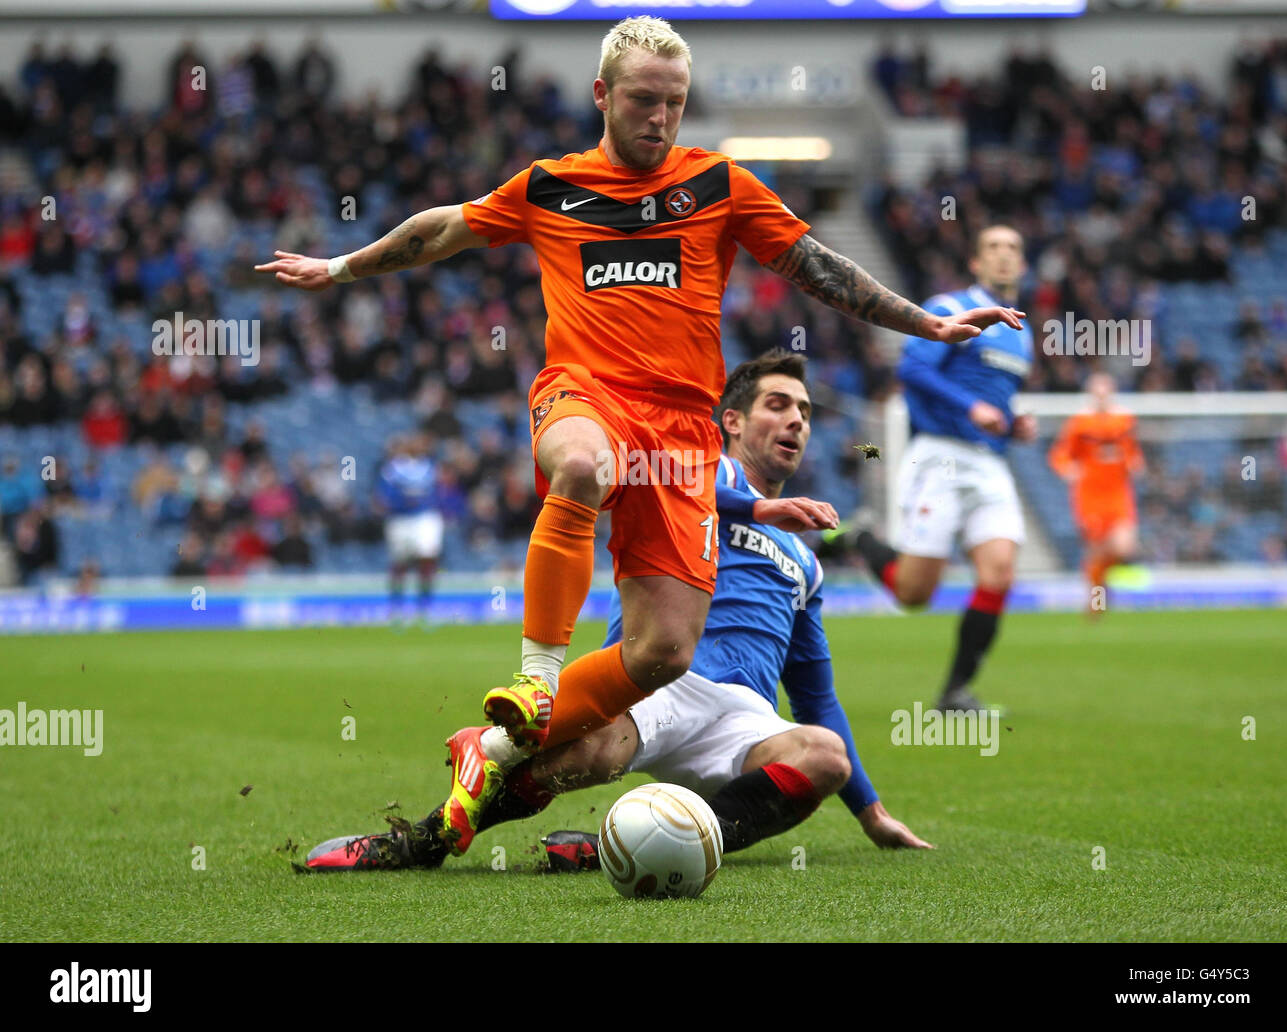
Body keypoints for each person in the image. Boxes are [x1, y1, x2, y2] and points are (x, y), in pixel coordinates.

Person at [257, 16, 1022, 857]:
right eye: (642, 100)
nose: (660, 118)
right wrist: (337, 268)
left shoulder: (720, 185)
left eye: (674, 103)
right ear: (602, 95)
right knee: (581, 462)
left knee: (662, 651)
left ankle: (498, 750)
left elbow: (819, 267)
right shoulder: (552, 186)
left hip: (684, 436)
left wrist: (929, 327)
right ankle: (538, 682)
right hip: (585, 394)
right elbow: (441, 229)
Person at [305, 352, 931, 872]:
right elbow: (652, 474)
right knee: (594, 754)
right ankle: (423, 840)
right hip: (661, 683)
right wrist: (757, 508)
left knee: (822, 753)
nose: (796, 420)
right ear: (732, 420)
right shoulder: (689, 466)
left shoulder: (806, 558)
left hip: (741, 720)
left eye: (805, 412)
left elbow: (816, 695)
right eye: (778, 405)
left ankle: (640, 843)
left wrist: (871, 812)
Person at [822, 225, 1036, 713]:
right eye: (993, 248)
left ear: (1022, 265)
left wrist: (1014, 423)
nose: (1004, 256)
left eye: (1013, 249)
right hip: (939, 456)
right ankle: (861, 538)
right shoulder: (950, 306)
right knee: (913, 593)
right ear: (977, 264)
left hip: (990, 464)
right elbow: (912, 369)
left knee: (999, 575)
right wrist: (969, 407)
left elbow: (996, 399)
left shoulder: (1022, 335)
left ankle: (955, 692)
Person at [1048, 372, 1143, 612]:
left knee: (1124, 547)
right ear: (1090, 395)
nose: (1101, 397)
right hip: (1089, 494)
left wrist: (1135, 462)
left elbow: (1131, 450)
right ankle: (1097, 599)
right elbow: (1060, 454)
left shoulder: (1125, 420)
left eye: (1105, 392)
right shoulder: (1079, 423)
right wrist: (1067, 469)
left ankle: (1100, 581)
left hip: (1118, 492)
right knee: (1096, 550)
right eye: (1097, 392)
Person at [375, 434, 443, 615]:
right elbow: (384, 496)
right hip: (400, 518)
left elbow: (435, 493)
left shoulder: (429, 466)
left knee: (427, 557)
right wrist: (402, 501)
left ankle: (424, 606)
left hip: (424, 517)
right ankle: (396, 606)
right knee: (400, 561)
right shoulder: (393, 468)